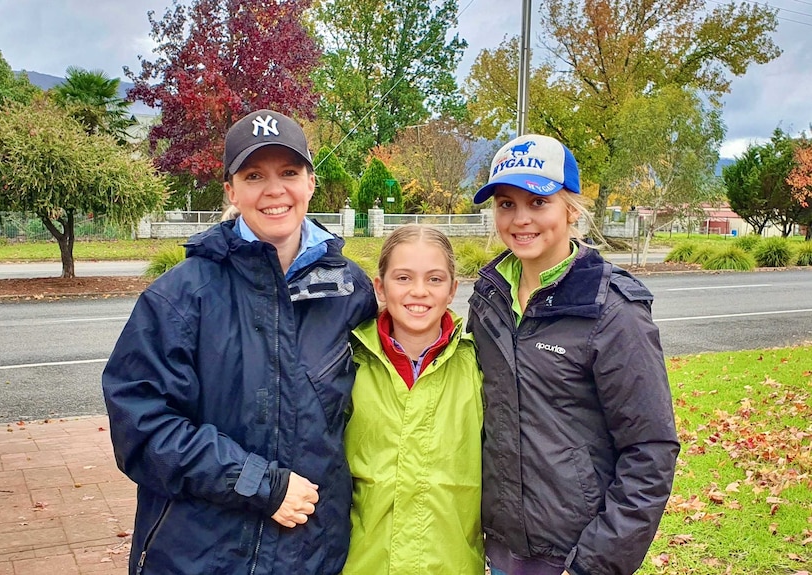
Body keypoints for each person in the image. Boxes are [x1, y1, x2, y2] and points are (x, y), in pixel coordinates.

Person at [101, 109, 377, 575]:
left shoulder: (350, 290)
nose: (274, 190)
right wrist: (260, 485)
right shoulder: (180, 296)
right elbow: (140, 427)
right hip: (200, 554)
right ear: (231, 191)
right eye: (254, 175)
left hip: (313, 554)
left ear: (311, 182)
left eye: (289, 172)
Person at [467, 134, 679, 575]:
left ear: (570, 207)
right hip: (500, 552)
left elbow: (650, 451)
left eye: (538, 202)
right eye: (506, 204)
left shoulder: (613, 310)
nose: (521, 219)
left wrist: (594, 564)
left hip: (573, 558)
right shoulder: (487, 300)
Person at [342, 225, 485, 575]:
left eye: (434, 279)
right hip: (362, 563)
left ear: (453, 290)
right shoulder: (347, 363)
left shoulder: (479, 367)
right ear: (380, 286)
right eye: (403, 278)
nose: (418, 292)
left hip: (450, 564)